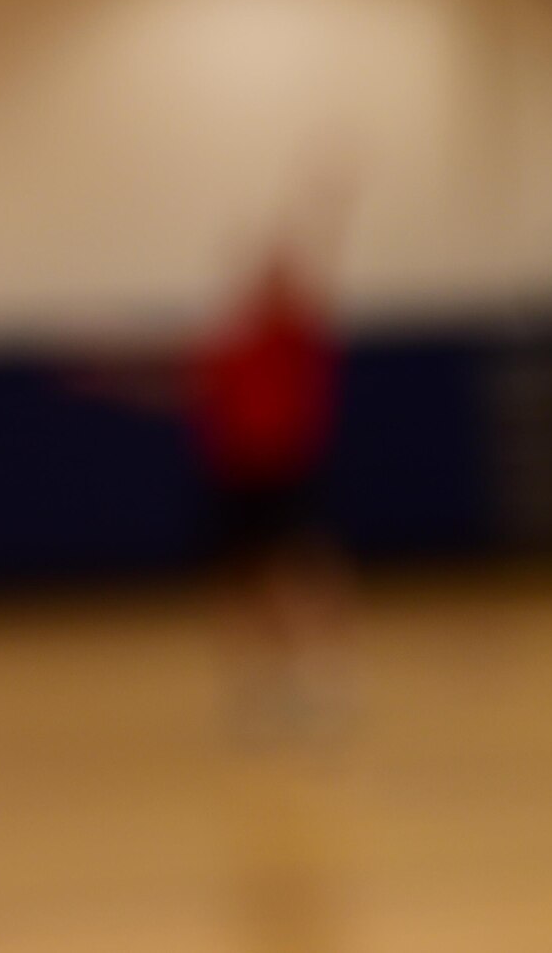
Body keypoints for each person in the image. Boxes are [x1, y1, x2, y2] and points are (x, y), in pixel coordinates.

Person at [192, 245, 352, 744]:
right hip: (236, 477)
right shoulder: (234, 345)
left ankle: (314, 681)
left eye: (280, 281)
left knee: (295, 581)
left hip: (285, 472)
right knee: (242, 588)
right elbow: (191, 389)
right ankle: (255, 691)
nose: (269, 289)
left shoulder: (297, 337)